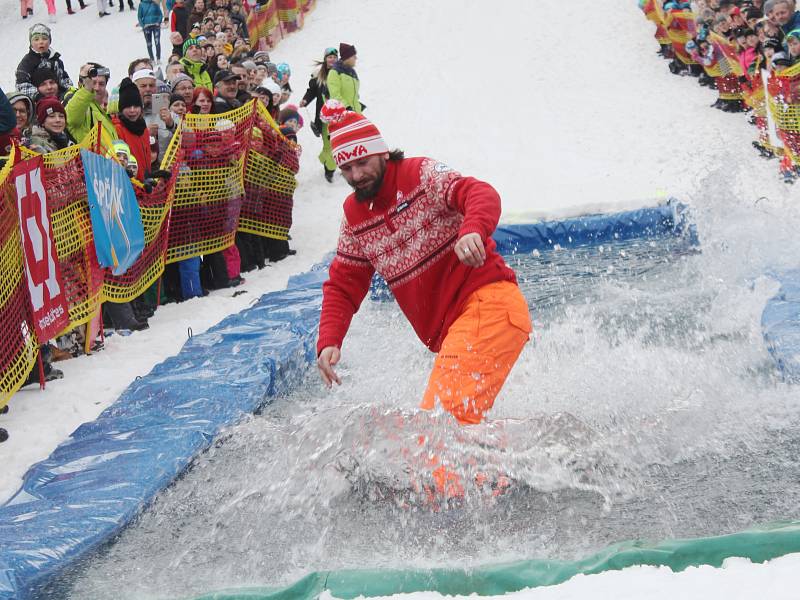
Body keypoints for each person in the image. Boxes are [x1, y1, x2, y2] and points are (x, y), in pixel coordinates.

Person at [316, 100, 532, 428]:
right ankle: (522, 466)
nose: (356, 175)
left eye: (362, 163)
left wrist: (473, 229)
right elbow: (344, 283)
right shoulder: (354, 216)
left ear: (382, 152)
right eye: (346, 169)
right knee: (451, 432)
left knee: (439, 431)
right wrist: (330, 339)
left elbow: (479, 192)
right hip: (458, 328)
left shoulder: (419, 174)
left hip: (489, 305)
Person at [300, 47, 338, 182]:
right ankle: (330, 169)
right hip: (323, 117)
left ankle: (327, 159)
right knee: (328, 144)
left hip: (339, 116)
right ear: (325, 59)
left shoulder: (341, 73)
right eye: (330, 57)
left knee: (337, 143)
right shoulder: (319, 75)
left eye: (334, 57)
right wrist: (305, 99)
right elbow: (312, 91)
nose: (332, 59)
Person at [16, 24, 73, 100]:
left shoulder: (56, 60)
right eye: (36, 39)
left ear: (50, 41)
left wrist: (68, 92)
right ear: (31, 43)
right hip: (37, 101)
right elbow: (22, 85)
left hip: (58, 98)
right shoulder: (27, 62)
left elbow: (64, 79)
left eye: (44, 38)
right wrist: (38, 96)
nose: (41, 42)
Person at [64, 62, 116, 142]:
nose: (97, 88)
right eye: (93, 83)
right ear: (80, 84)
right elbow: (71, 119)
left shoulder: (101, 113)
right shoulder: (76, 102)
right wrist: (87, 88)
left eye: (101, 84)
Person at [112, 78, 151, 181]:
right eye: (128, 107)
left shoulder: (143, 129)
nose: (132, 110)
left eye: (136, 106)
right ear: (121, 109)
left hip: (144, 186)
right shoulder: (118, 129)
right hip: (129, 185)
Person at [327, 43, 361, 113]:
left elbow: (354, 95)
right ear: (347, 58)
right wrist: (347, 108)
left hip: (356, 113)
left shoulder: (353, 73)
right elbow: (335, 96)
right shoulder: (335, 72)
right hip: (344, 115)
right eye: (354, 56)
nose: (356, 58)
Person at [138, 0, 165, 65]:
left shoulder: (155, 3)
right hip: (147, 26)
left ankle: (158, 58)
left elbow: (160, 14)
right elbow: (139, 16)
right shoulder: (141, 4)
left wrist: (158, 22)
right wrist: (143, 25)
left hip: (156, 25)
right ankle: (152, 59)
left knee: (157, 42)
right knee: (149, 44)